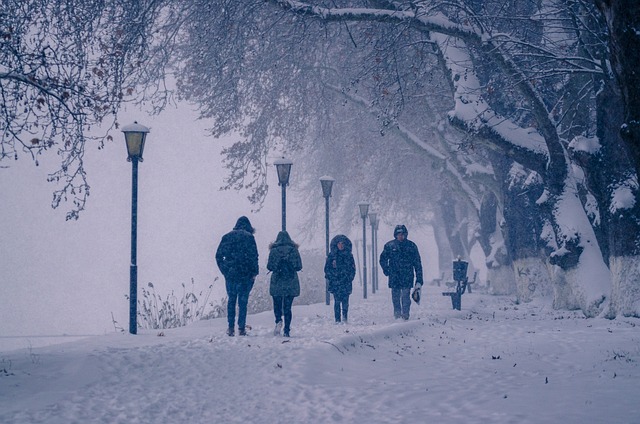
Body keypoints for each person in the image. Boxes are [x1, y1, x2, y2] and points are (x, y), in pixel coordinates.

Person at [215, 216, 259, 336]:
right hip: (245, 274)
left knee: (231, 300)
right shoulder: (249, 237)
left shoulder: (227, 237)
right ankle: (241, 328)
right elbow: (254, 256)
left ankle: (230, 328)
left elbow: (218, 256)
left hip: (231, 275)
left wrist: (225, 270)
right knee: (243, 302)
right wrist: (254, 273)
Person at [379, 224, 424, 320]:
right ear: (395, 235)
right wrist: (386, 270)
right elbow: (383, 259)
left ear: (405, 234)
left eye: (402, 234)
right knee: (395, 297)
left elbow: (417, 263)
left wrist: (419, 278)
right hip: (394, 276)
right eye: (398, 234)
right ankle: (397, 314)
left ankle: (405, 314)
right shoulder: (389, 246)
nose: (400, 236)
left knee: (405, 296)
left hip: (407, 275)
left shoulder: (411, 246)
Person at [266, 230, 302, 337]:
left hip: (277, 281)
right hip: (290, 282)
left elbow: (269, 266)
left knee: (277, 304)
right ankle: (287, 329)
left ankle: (278, 320)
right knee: (287, 307)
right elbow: (299, 266)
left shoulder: (273, 251)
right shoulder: (294, 250)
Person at [324, 234, 356, 323]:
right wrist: (333, 277)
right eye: (339, 244)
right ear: (336, 245)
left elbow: (353, 269)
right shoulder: (332, 256)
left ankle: (345, 317)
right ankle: (337, 319)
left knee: (345, 301)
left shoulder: (349, 256)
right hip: (335, 283)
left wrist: (349, 278)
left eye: (342, 244)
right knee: (337, 301)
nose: (341, 245)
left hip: (346, 282)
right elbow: (327, 269)